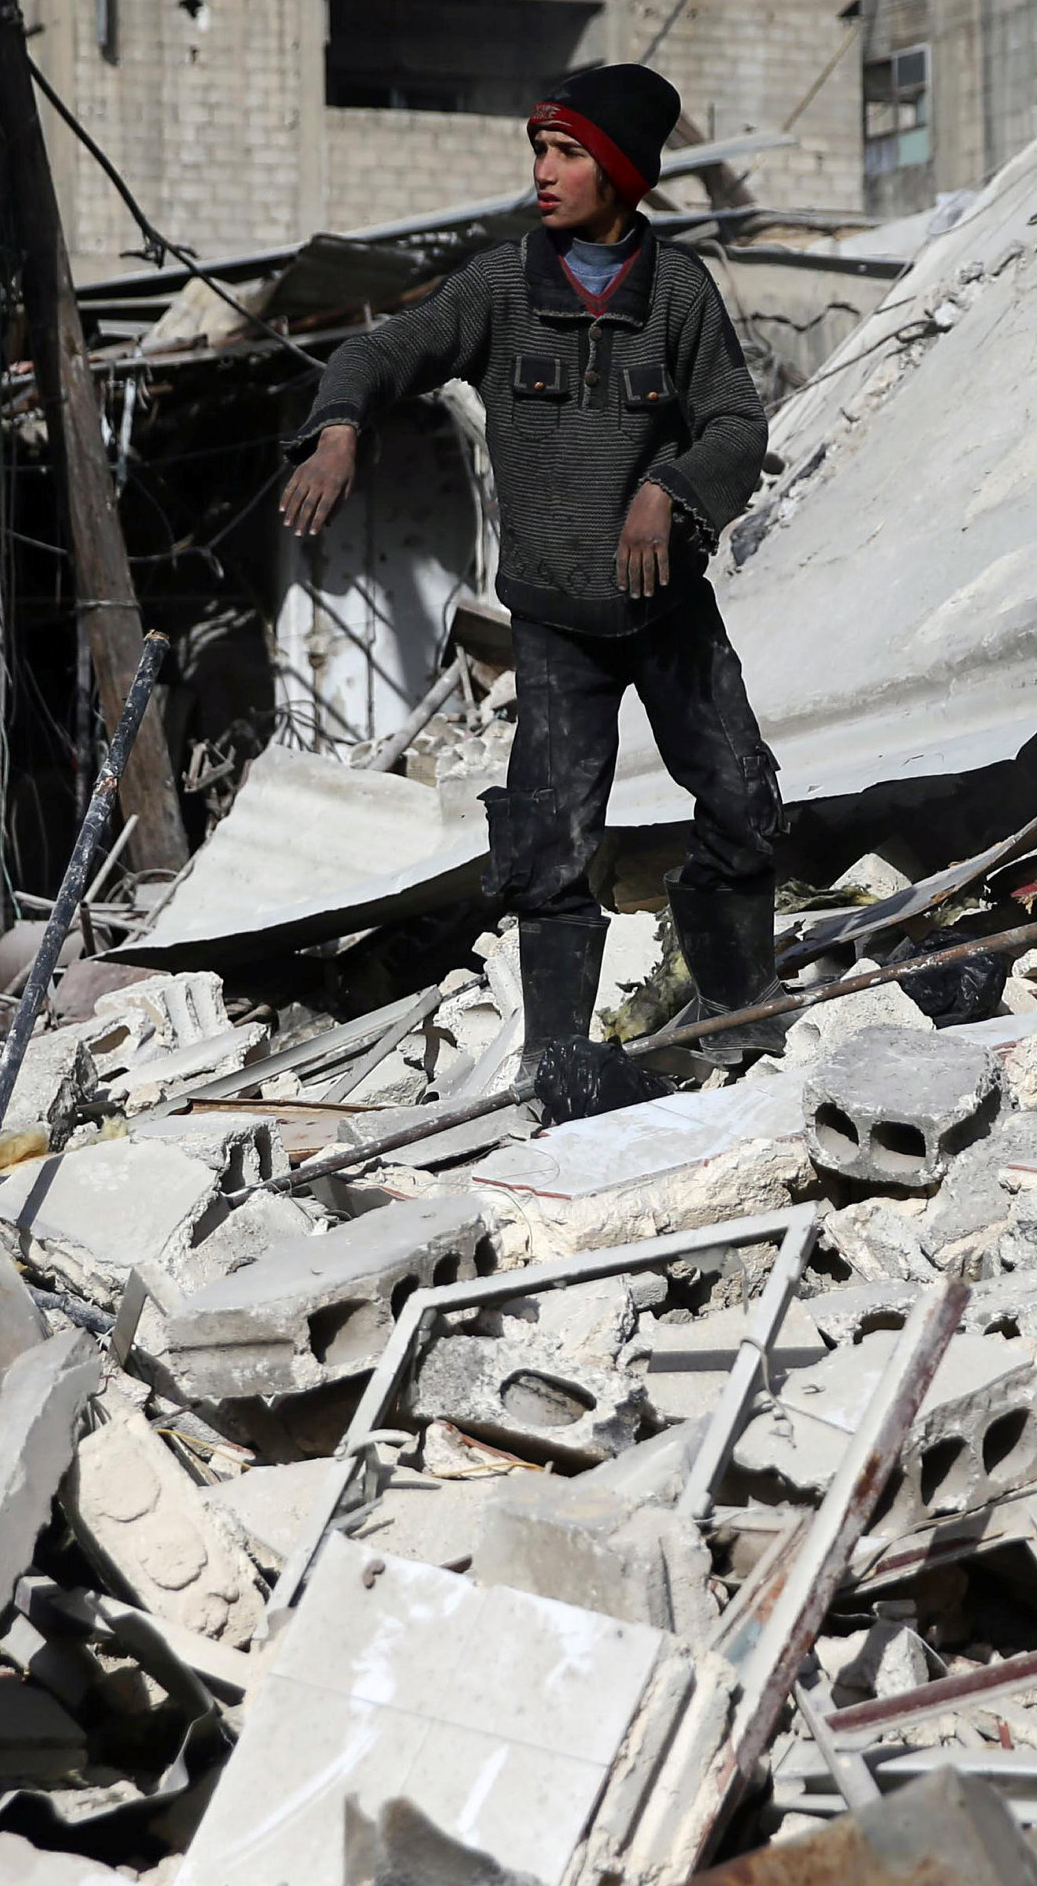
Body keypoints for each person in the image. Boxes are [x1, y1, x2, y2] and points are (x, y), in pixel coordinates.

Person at [280, 62, 781, 1120]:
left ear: (620, 173)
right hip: (557, 627)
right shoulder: (499, 289)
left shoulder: (679, 292)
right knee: (548, 850)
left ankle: (741, 1019)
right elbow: (387, 348)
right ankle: (555, 1065)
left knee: (741, 802)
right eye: (538, 152)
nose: (544, 174)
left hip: (667, 614)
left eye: (567, 155)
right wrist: (338, 427)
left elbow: (737, 422)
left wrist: (669, 488)